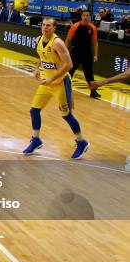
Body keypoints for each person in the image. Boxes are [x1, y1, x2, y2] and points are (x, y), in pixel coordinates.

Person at [23, 17, 90, 159]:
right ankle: (36, 139)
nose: (45, 27)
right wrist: (37, 69)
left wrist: (52, 78)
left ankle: (81, 141)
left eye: (48, 26)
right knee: (34, 110)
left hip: (60, 82)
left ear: (54, 28)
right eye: (43, 25)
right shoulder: (39, 40)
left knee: (67, 115)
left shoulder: (57, 42)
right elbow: (43, 55)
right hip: (47, 83)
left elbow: (69, 64)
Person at [65, 9, 100, 98]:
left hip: (87, 52)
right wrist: (65, 53)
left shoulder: (93, 28)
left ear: (90, 17)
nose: (85, 17)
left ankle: (93, 92)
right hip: (75, 51)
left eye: (87, 15)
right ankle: (64, 89)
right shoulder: (75, 26)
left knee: (89, 73)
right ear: (81, 16)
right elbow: (68, 40)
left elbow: (95, 42)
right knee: (70, 71)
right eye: (84, 15)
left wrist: (95, 55)